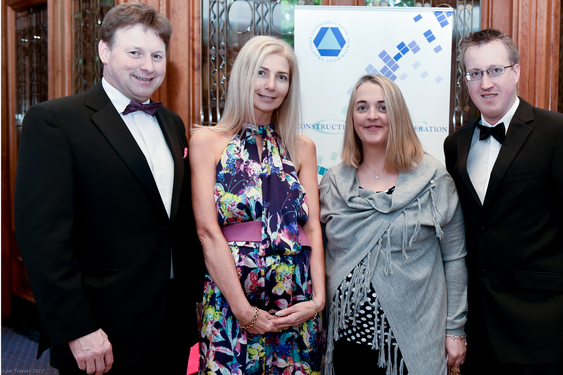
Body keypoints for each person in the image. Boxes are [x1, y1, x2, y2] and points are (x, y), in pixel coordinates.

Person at [14, 3, 203, 374]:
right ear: (104, 51)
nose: (147, 66)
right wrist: (77, 327)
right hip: (100, 329)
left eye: (156, 55)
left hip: (170, 323)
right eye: (134, 52)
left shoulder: (172, 123)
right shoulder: (56, 122)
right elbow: (44, 240)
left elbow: (173, 222)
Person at [190, 35, 325, 374]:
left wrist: (317, 301)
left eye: (282, 77)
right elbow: (207, 232)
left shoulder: (302, 146)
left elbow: (312, 229)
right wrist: (242, 310)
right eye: (261, 73)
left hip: (294, 305)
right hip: (231, 304)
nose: (271, 85)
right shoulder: (207, 141)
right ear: (243, 77)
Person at [320, 74, 468, 375]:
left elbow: (454, 257)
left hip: (414, 341)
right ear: (352, 118)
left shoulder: (433, 179)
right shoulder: (334, 182)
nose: (372, 116)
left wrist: (455, 329)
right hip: (346, 343)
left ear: (397, 114)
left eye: (382, 107)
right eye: (362, 107)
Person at [444, 28, 563, 374]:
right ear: (465, 81)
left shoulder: (555, 132)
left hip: (543, 327)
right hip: (480, 328)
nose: (486, 83)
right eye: (475, 73)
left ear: (516, 71)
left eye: (495, 70)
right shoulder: (456, 145)